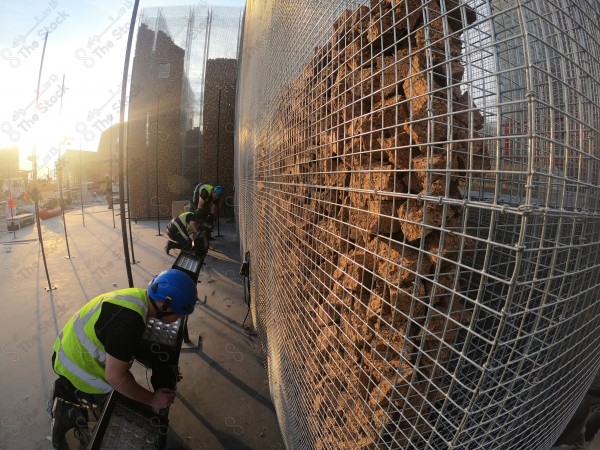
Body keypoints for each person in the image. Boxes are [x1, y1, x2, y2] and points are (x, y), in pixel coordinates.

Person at [49, 269, 198, 448]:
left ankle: (66, 389)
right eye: (180, 312)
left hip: (67, 351)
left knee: (130, 385)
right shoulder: (129, 322)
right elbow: (114, 377)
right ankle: (70, 413)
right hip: (76, 367)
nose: (180, 317)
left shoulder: (137, 298)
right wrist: (152, 399)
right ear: (165, 305)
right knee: (126, 408)